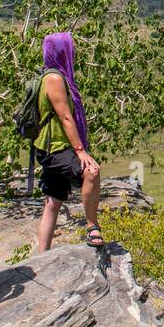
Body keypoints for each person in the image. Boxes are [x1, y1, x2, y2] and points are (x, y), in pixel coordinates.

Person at [34, 31, 103, 255]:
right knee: (91, 171)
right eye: (70, 49)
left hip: (52, 147)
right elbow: (65, 117)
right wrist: (81, 151)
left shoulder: (56, 76)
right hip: (55, 147)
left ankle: (42, 255)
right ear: (63, 51)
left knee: (53, 202)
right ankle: (92, 227)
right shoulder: (54, 79)